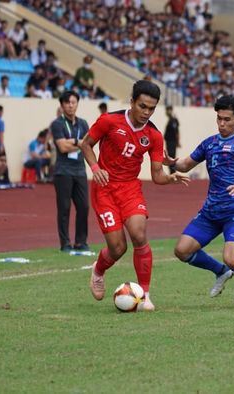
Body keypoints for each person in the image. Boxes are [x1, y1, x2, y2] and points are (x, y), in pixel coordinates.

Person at [80, 79, 189, 311]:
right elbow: (86, 144)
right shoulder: (109, 121)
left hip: (130, 189)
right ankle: (98, 270)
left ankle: (145, 295)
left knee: (139, 235)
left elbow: (157, 175)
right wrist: (96, 168)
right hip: (105, 189)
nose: (146, 112)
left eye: (151, 108)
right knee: (118, 248)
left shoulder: (154, 136)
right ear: (132, 102)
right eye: (142, 106)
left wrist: (170, 178)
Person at [170, 95, 234, 303]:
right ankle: (220, 272)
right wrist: (171, 161)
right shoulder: (209, 143)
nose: (222, 123)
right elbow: (185, 165)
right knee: (181, 251)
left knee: (231, 258)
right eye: (219, 118)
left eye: (227, 119)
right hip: (211, 211)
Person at [51, 91, 90, 252]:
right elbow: (62, 147)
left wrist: (74, 143)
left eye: (73, 102)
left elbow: (88, 145)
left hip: (80, 170)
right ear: (62, 105)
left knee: (84, 207)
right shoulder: (57, 124)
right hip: (63, 171)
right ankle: (65, 243)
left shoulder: (83, 124)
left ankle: (81, 242)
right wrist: (77, 142)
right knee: (64, 208)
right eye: (67, 103)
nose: (70, 105)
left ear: (77, 104)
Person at [163, 105, 180, 174]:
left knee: (171, 157)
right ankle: (172, 172)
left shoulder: (173, 120)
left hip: (172, 142)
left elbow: (176, 131)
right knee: (170, 157)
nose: (167, 112)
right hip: (169, 142)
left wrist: (178, 141)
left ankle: (173, 172)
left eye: (168, 110)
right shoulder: (170, 120)